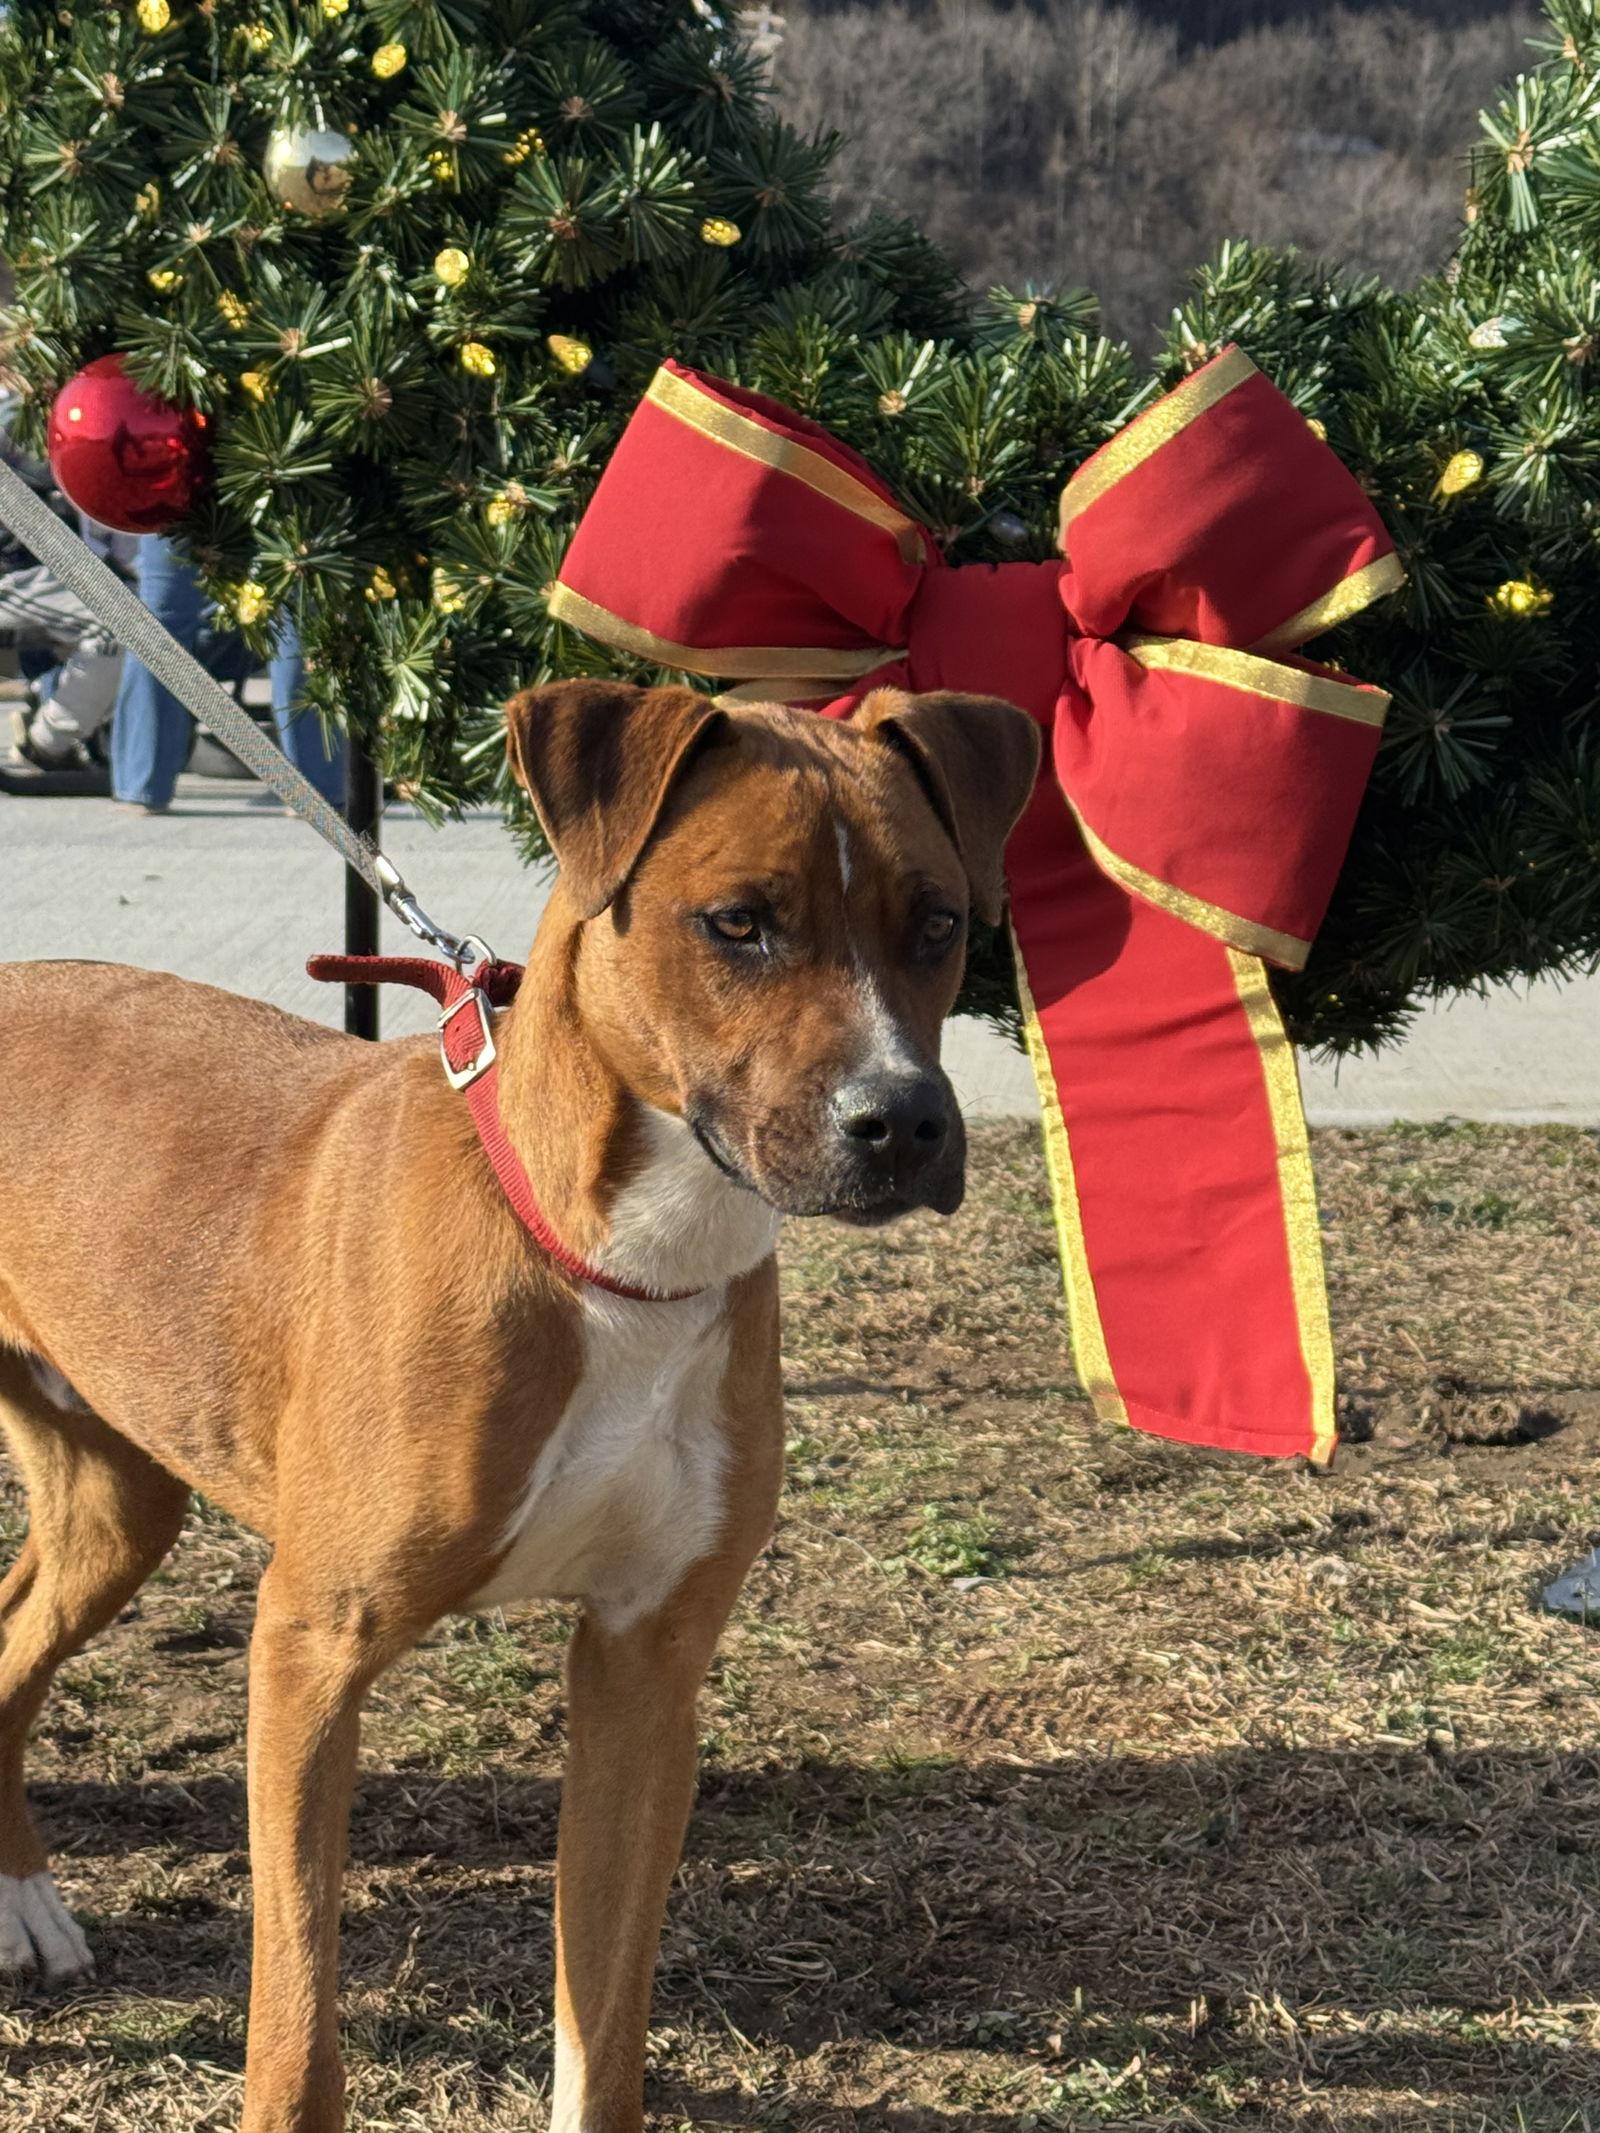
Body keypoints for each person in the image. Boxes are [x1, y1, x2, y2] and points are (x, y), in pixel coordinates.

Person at [108, 535, 346, 813]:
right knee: (297, 611)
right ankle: (316, 786)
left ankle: (144, 783)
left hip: (178, 495)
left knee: (163, 618)